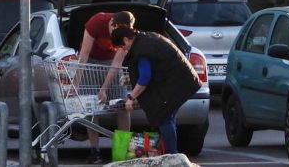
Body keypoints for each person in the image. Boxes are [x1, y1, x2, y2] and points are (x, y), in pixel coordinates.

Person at [110, 26, 201, 157]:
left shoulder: (141, 50)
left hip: (177, 83)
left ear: (126, 40)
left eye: (122, 47)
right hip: (183, 80)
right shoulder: (147, 38)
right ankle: (171, 153)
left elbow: (145, 77)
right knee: (168, 118)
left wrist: (131, 98)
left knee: (163, 118)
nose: (124, 50)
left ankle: (172, 155)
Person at [79, 11, 135, 164]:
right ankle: (95, 151)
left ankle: (121, 151)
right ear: (112, 23)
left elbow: (116, 64)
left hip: (112, 64)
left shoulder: (127, 33)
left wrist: (104, 89)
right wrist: (75, 84)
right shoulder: (97, 22)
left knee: (122, 105)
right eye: (114, 31)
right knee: (90, 106)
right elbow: (84, 54)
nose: (114, 35)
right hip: (90, 62)